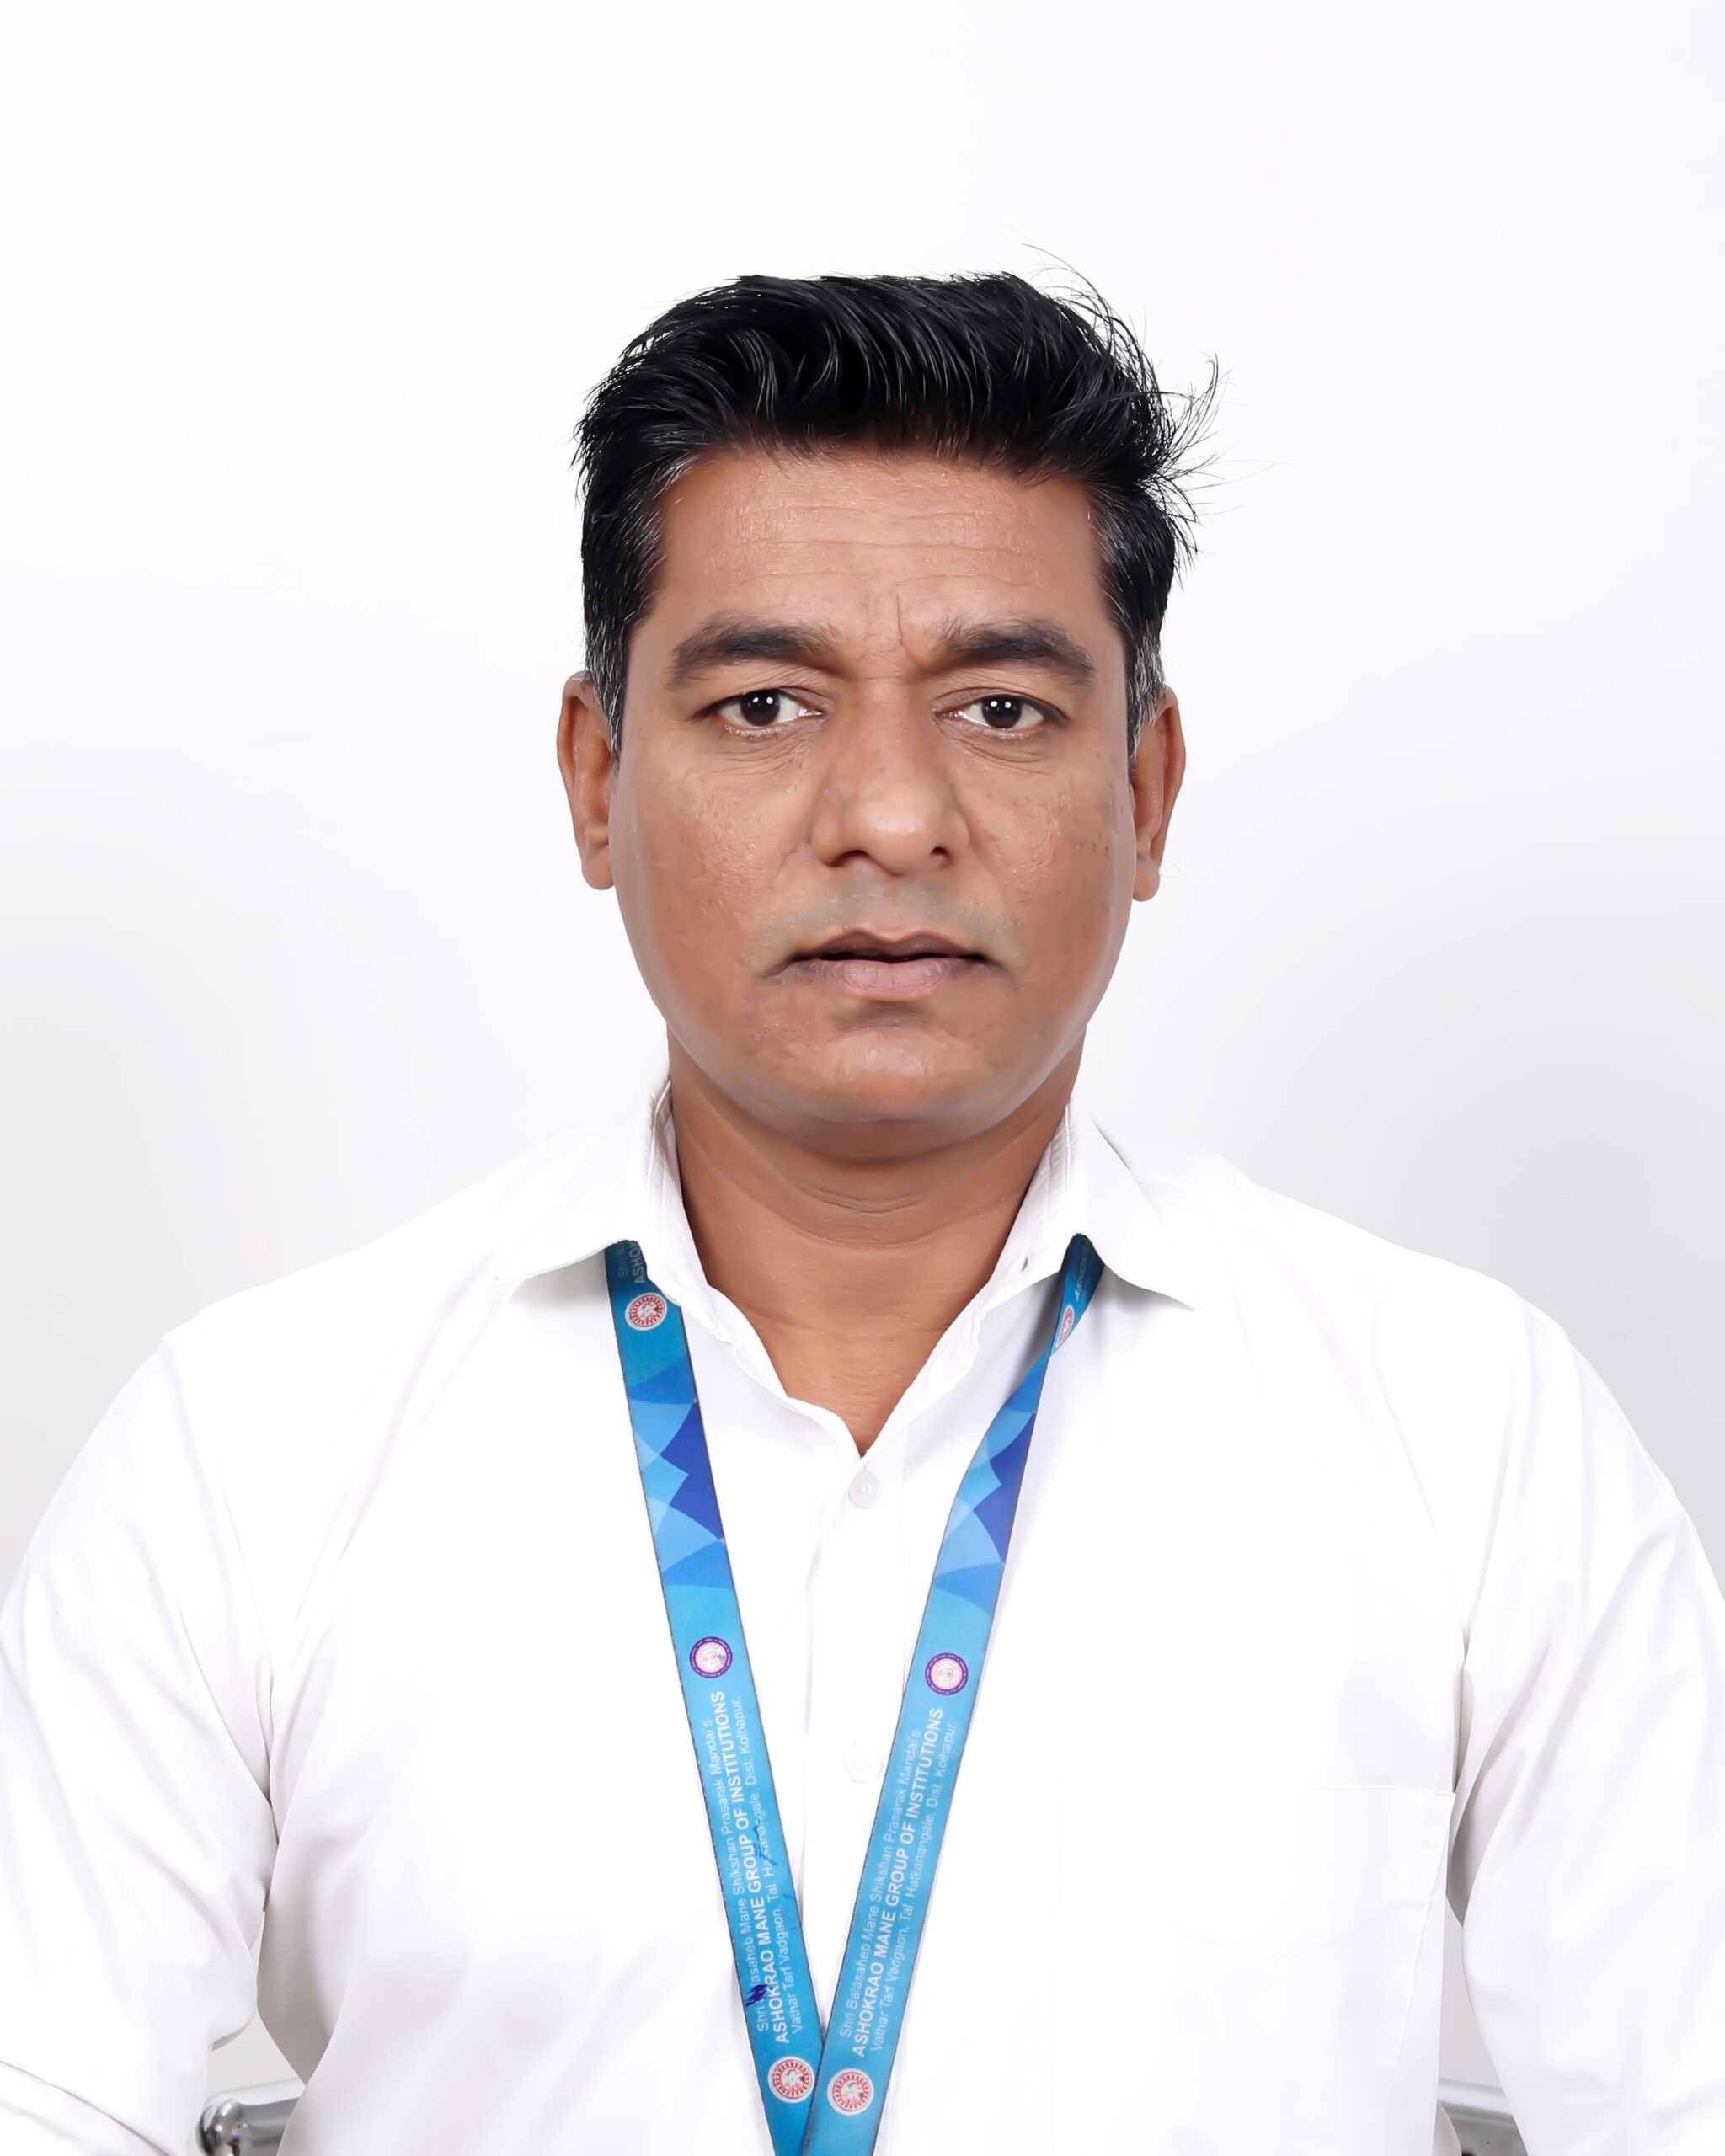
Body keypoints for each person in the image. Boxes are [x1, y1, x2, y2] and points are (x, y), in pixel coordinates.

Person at [2, 272, 1721, 2156]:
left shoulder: (1466, 1431)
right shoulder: (257, 1446)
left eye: (1001, 706)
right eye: (764, 703)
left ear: (1146, 790)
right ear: (598, 779)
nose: (892, 816)